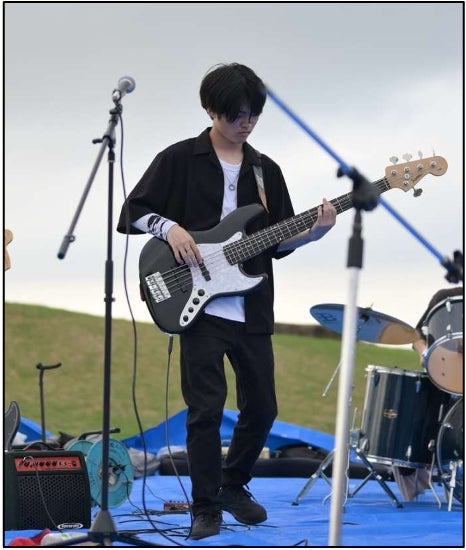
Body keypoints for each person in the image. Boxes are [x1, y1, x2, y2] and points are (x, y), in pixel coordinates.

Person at [117, 63, 337, 540]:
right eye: (237, 114)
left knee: (263, 408)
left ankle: (234, 485)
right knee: (206, 412)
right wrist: (170, 229)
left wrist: (313, 234)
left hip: (251, 307)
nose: (246, 123)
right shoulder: (179, 158)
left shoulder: (266, 170)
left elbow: (278, 239)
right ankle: (206, 507)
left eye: (253, 114)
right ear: (211, 109)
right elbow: (132, 211)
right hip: (198, 306)